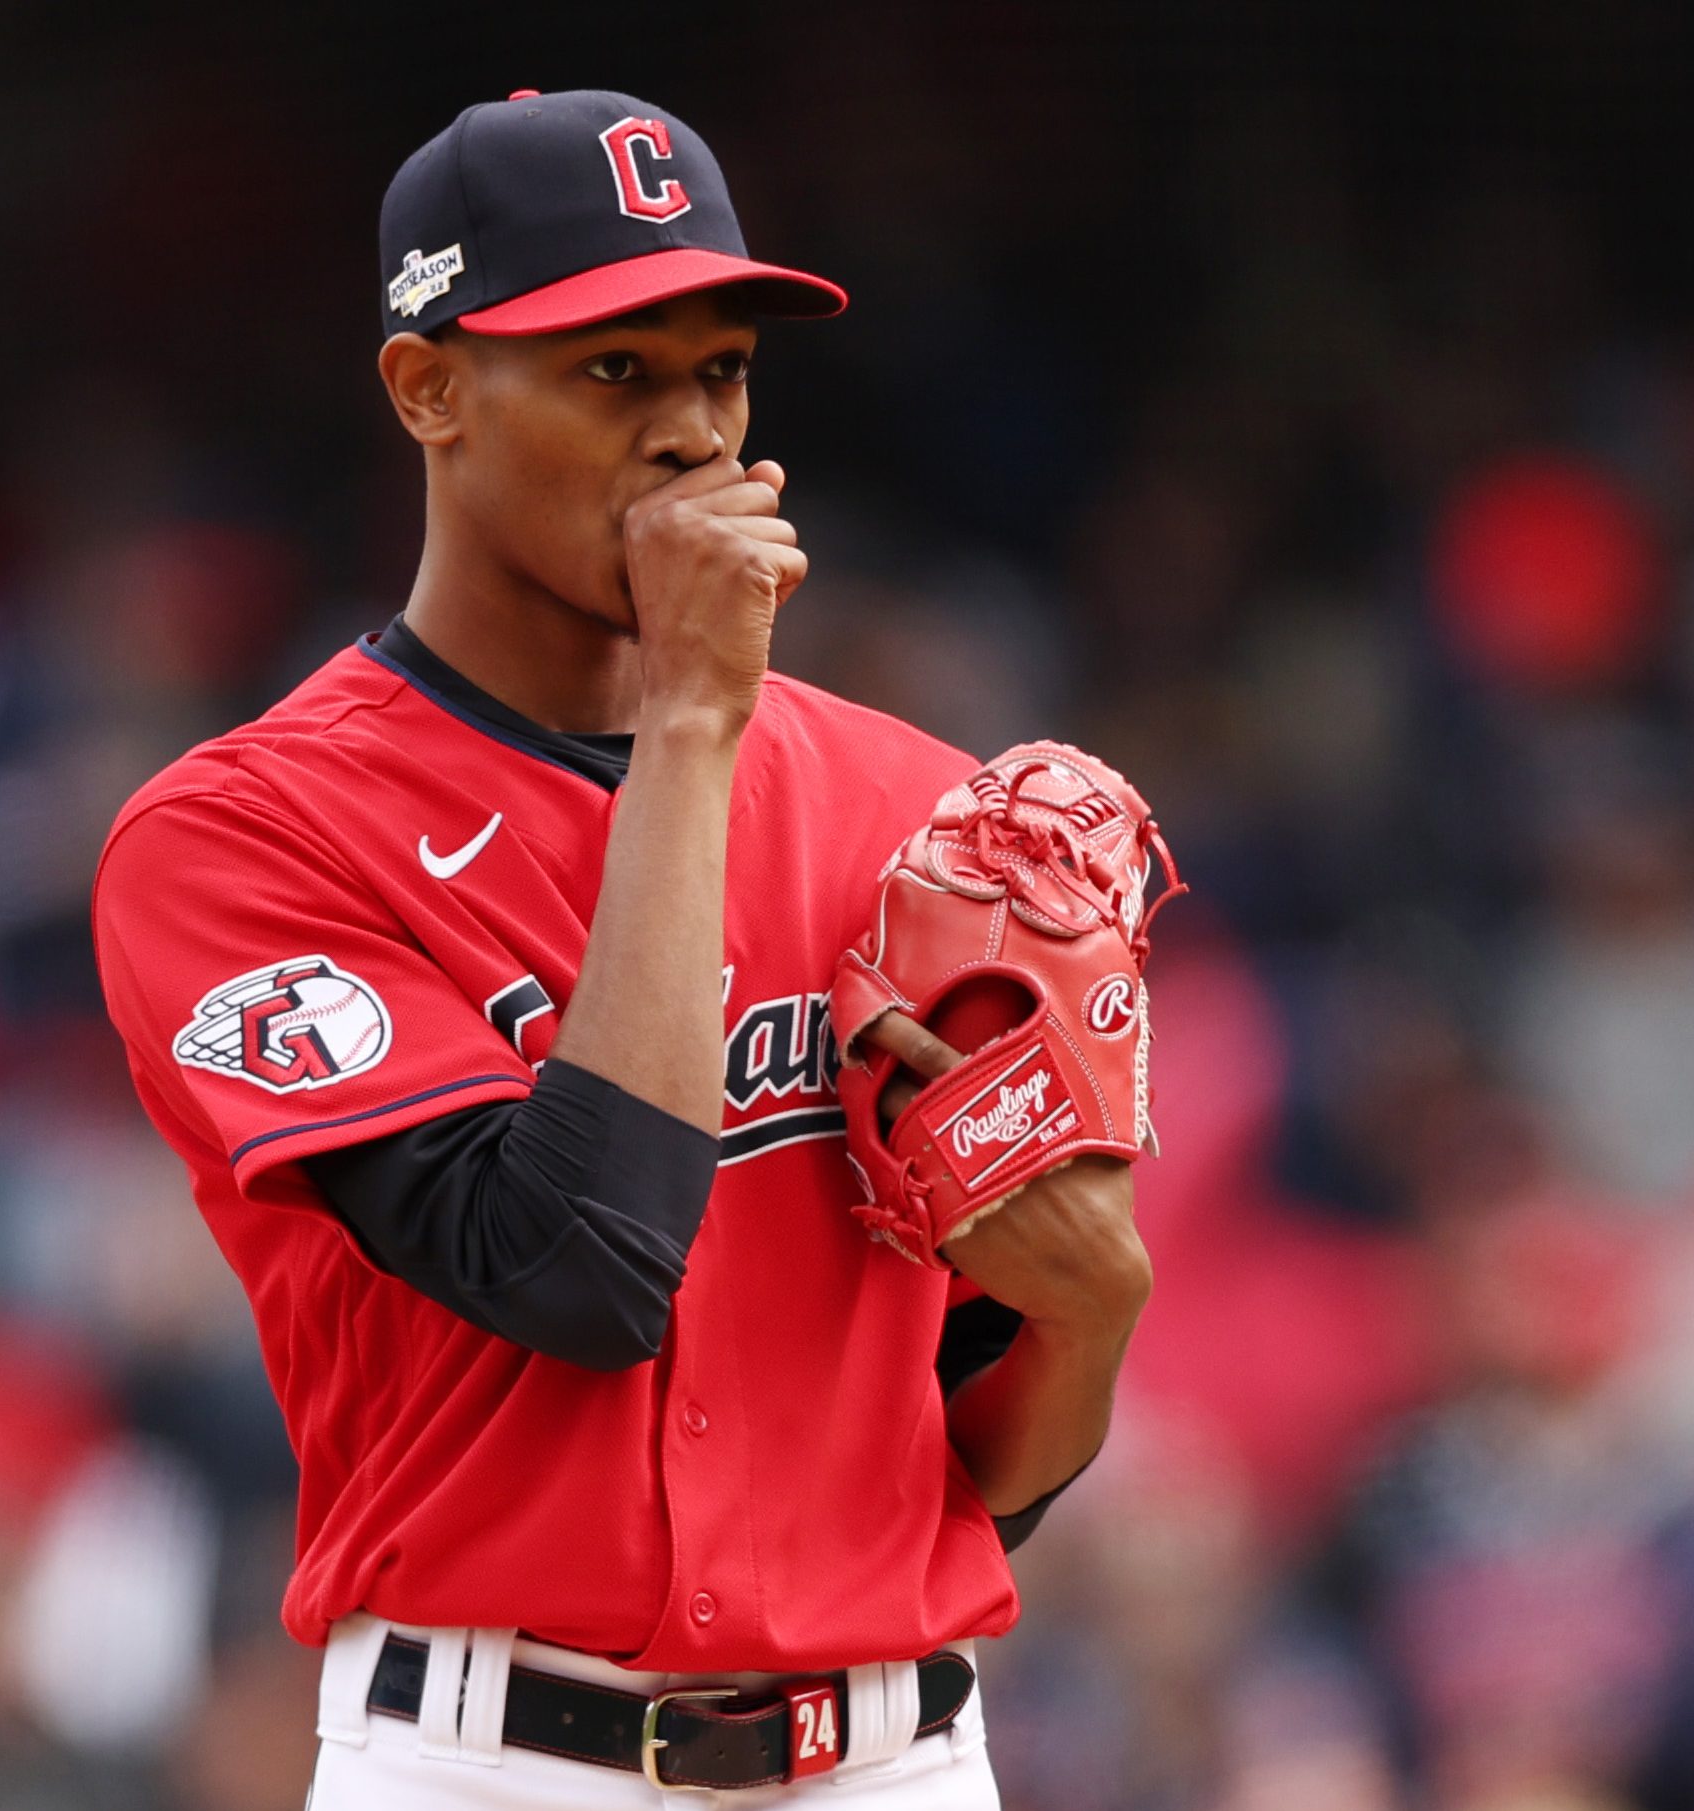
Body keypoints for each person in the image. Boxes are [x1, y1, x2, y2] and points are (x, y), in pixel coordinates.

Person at [91, 87, 1154, 1807]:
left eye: (719, 369)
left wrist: (1095, 1319)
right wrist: (692, 728)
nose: (689, 433)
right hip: (501, 1757)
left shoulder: (920, 809)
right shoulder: (241, 838)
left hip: (891, 1755)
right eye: (614, 372)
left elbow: (961, 1466)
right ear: (429, 389)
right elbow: (574, 1271)